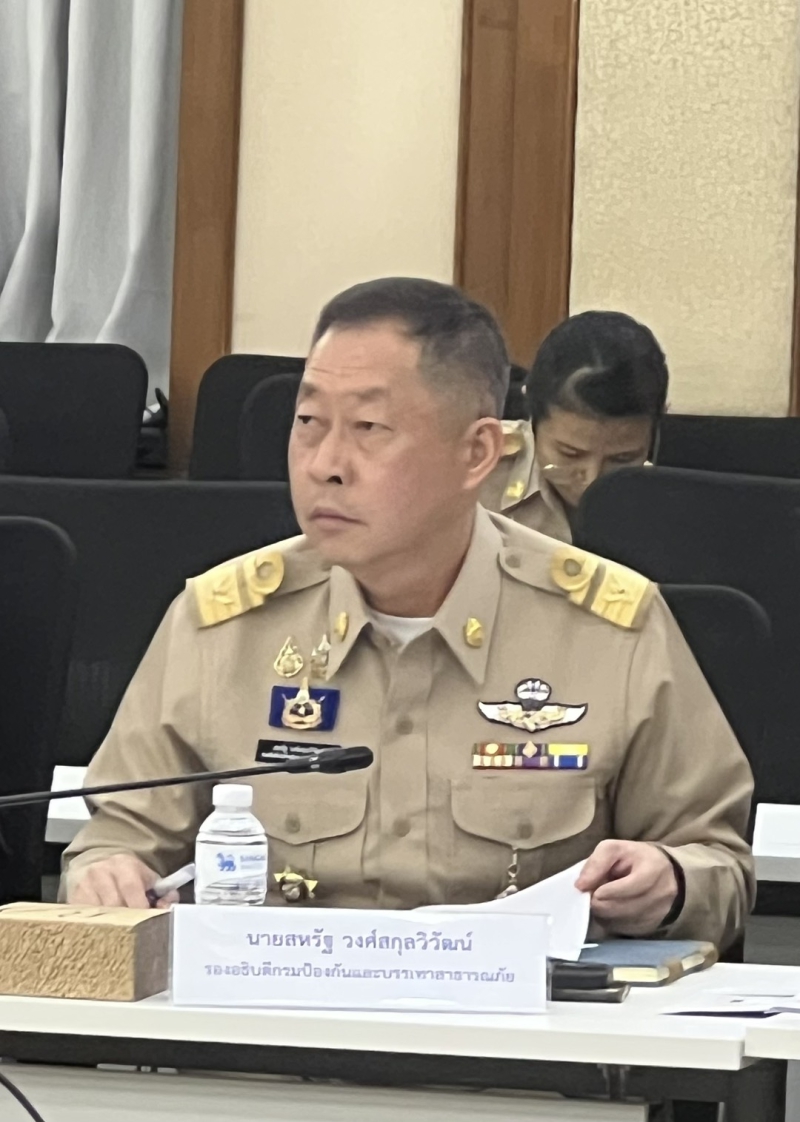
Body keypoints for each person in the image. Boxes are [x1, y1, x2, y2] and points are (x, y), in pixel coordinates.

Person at [62, 279, 752, 950]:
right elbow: (118, 841)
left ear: (477, 453)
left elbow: (717, 864)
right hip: (272, 1019)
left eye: (369, 428)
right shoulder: (219, 626)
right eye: (308, 423)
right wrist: (108, 875)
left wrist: (671, 882)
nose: (326, 464)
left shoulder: (611, 629)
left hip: (519, 1023)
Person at [483, 311, 669, 541]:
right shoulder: (473, 474)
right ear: (533, 415)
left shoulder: (668, 508)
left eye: (623, 459)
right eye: (570, 454)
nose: (592, 481)